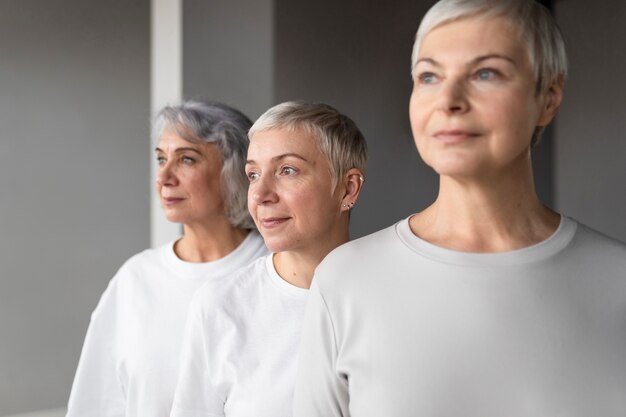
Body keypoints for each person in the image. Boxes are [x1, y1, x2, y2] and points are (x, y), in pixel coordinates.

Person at [293, 1, 626, 416]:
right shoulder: (344, 281)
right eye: (429, 76)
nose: (448, 99)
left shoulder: (618, 283)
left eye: (486, 73)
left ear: (549, 96)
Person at [66, 101, 268, 417]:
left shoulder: (278, 268)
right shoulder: (135, 280)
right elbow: (97, 403)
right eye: (161, 159)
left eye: (187, 159)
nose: (164, 177)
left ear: (235, 171)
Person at [169, 101, 367, 417]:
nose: (260, 194)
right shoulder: (222, 305)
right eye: (253, 174)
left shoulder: (394, 297)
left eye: (287, 170)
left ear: (347, 188)